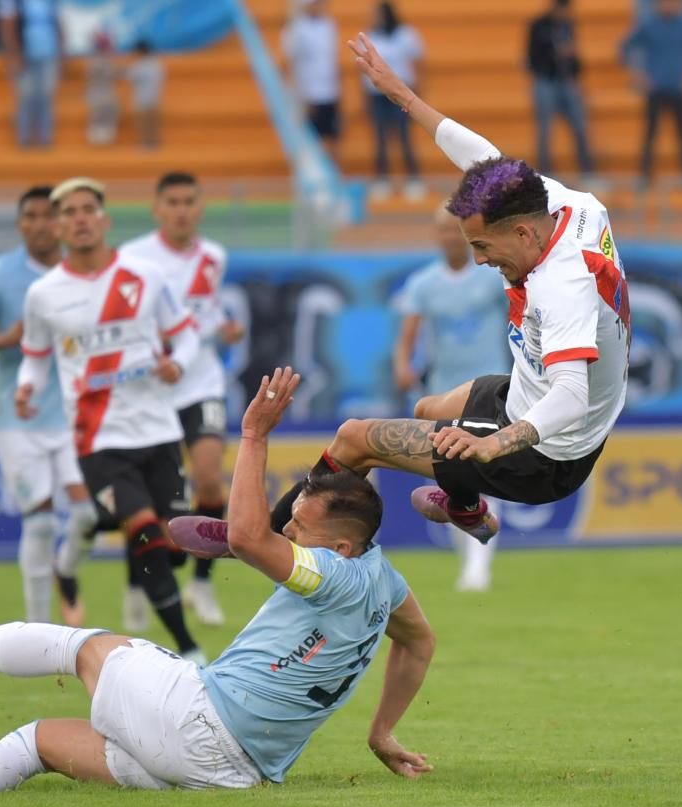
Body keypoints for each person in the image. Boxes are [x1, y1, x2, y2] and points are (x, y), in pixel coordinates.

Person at [0, 367, 436, 798]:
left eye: (301, 525)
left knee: (78, 646)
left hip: (198, 721)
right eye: (291, 521)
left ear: (344, 545)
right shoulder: (383, 582)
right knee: (38, 743)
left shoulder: (333, 571)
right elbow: (419, 642)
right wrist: (381, 732)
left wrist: (253, 435)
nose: (289, 531)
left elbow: (246, 537)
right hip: (234, 774)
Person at [174, 32, 632, 556]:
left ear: (524, 233)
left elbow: (571, 394)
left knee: (353, 438)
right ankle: (463, 505)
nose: (480, 259)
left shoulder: (562, 285)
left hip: (544, 453)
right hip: (528, 395)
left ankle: (257, 537)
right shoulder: (570, 206)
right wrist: (403, 97)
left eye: (484, 246)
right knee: (427, 406)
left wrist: (492, 445)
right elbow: (483, 156)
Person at [15, 177, 205, 662]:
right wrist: (27, 388)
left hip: (159, 429)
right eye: (69, 212)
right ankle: (188, 650)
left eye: (87, 209)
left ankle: (86, 529)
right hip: (97, 439)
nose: (79, 218)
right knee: (142, 529)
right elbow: (35, 357)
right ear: (58, 226)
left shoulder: (144, 276)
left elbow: (185, 336)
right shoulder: (44, 294)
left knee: (174, 543)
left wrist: (177, 364)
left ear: (104, 219)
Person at [0, 186, 97, 628]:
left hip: (77, 415)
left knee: (90, 514)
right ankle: (38, 631)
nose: (40, 225)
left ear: (62, 223)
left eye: (47, 216)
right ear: (20, 225)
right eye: (29, 216)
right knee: (39, 524)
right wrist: (2, 339)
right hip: (21, 418)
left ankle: (66, 570)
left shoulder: (82, 274)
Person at [121, 172, 245, 628]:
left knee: (209, 478)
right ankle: (136, 584)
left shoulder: (213, 257)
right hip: (152, 389)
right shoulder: (132, 258)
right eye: (171, 201)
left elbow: (204, 314)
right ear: (156, 208)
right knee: (152, 498)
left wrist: (226, 328)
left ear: (200, 207)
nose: (180, 210)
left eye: (189, 201)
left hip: (201, 382)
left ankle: (202, 581)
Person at [394, 206, 509, 591]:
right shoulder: (424, 284)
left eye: (454, 230)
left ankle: (479, 564)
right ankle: (471, 558)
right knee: (453, 475)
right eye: (442, 229)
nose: (448, 236)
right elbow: (408, 332)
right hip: (446, 391)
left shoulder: (492, 277)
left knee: (487, 467)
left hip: (490, 385)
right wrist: (402, 364)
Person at [621, 0, 682, 191]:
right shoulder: (649, 25)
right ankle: (644, 177)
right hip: (656, 90)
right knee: (650, 134)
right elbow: (625, 48)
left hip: (679, 89)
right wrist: (639, 76)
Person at [526, 0, 598, 181]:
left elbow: (574, 56)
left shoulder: (568, 26)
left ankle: (587, 171)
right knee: (545, 130)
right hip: (546, 81)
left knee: (580, 126)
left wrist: (574, 67)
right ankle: (545, 174)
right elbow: (532, 57)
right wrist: (554, 53)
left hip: (566, 81)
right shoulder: (538, 26)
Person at [361, 1, 425, 200]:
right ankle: (382, 179)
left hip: (401, 93)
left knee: (404, 136)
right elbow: (363, 69)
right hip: (377, 95)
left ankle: (413, 179)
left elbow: (417, 63)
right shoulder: (370, 35)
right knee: (380, 137)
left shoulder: (406, 35)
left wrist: (417, 93)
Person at [0, 0, 63, 148]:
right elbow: (7, 25)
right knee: (26, 98)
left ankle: (45, 140)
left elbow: (57, 23)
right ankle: (24, 139)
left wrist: (61, 51)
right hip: (25, 54)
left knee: (46, 97)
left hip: (48, 53)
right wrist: (14, 54)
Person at [282, 0, 341, 161]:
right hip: (309, 94)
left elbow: (332, 61)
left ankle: (333, 178)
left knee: (333, 137)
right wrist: (301, 96)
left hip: (330, 91)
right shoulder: (296, 30)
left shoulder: (329, 25)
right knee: (311, 140)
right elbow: (294, 66)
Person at [126, 39, 164, 149]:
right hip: (154, 98)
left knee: (144, 124)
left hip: (143, 99)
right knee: (152, 123)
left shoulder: (141, 65)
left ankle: (146, 144)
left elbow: (130, 76)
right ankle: (153, 143)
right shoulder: (156, 64)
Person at [85, 31, 119, 145]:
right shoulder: (98, 61)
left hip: (102, 93)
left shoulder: (101, 61)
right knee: (100, 115)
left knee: (106, 114)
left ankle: (103, 137)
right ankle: (98, 138)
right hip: (100, 93)